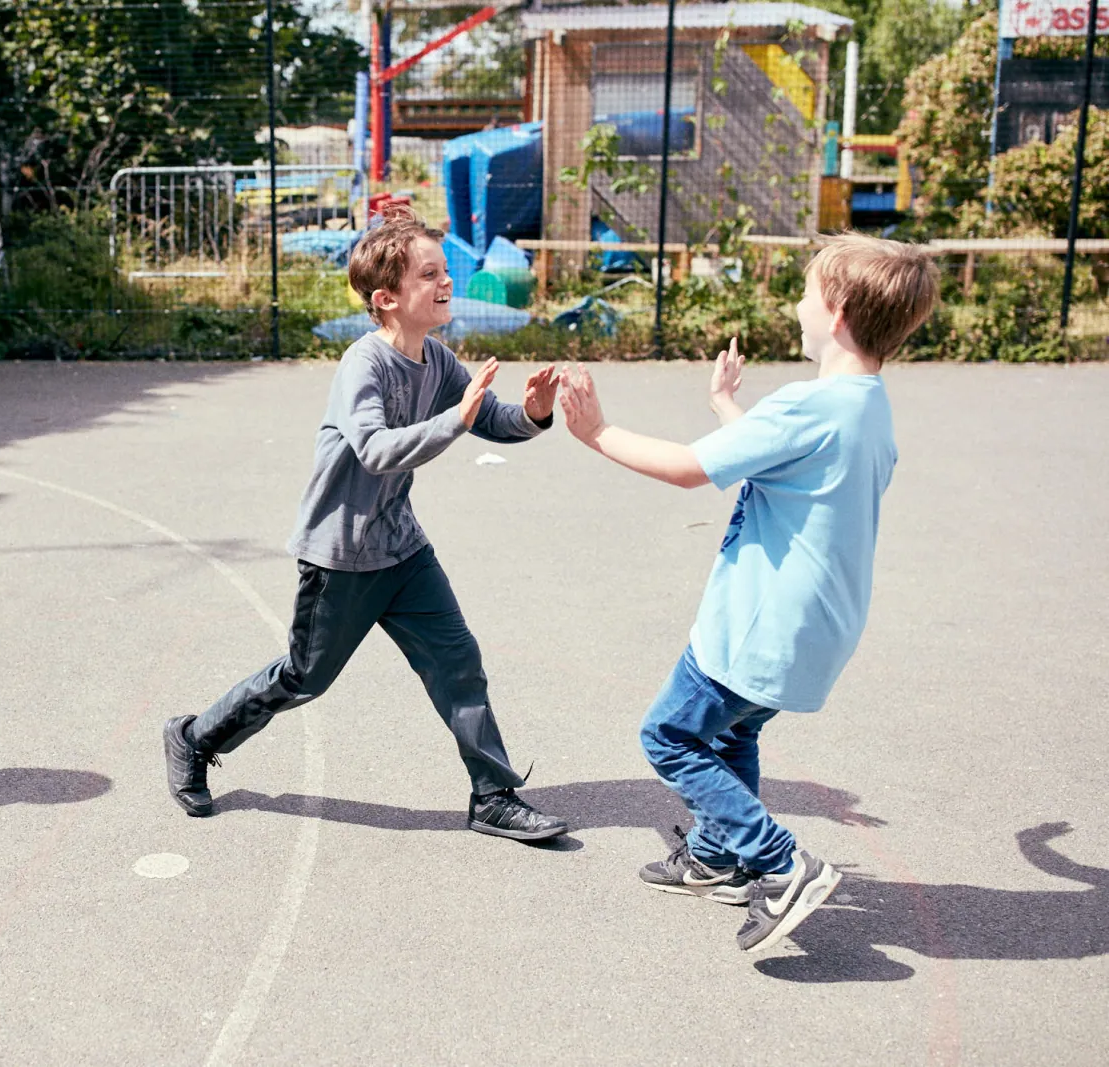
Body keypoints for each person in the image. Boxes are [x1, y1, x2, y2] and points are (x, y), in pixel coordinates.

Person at [556, 233, 939, 949]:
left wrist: (597, 431)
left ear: (840, 307)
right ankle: (719, 856)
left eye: (804, 290)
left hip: (762, 623)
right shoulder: (864, 407)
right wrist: (728, 405)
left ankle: (780, 861)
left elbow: (689, 469)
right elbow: (779, 462)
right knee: (733, 730)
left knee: (668, 734)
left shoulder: (810, 405)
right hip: (815, 625)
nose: (796, 303)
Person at [163, 208, 567, 841]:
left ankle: (493, 795)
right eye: (429, 274)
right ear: (386, 299)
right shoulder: (364, 365)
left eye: (446, 272)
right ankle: (193, 736)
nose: (446, 283)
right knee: (304, 679)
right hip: (340, 556)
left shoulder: (437, 358)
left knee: (458, 663)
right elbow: (377, 449)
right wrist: (456, 420)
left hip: (401, 548)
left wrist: (536, 414)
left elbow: (493, 420)